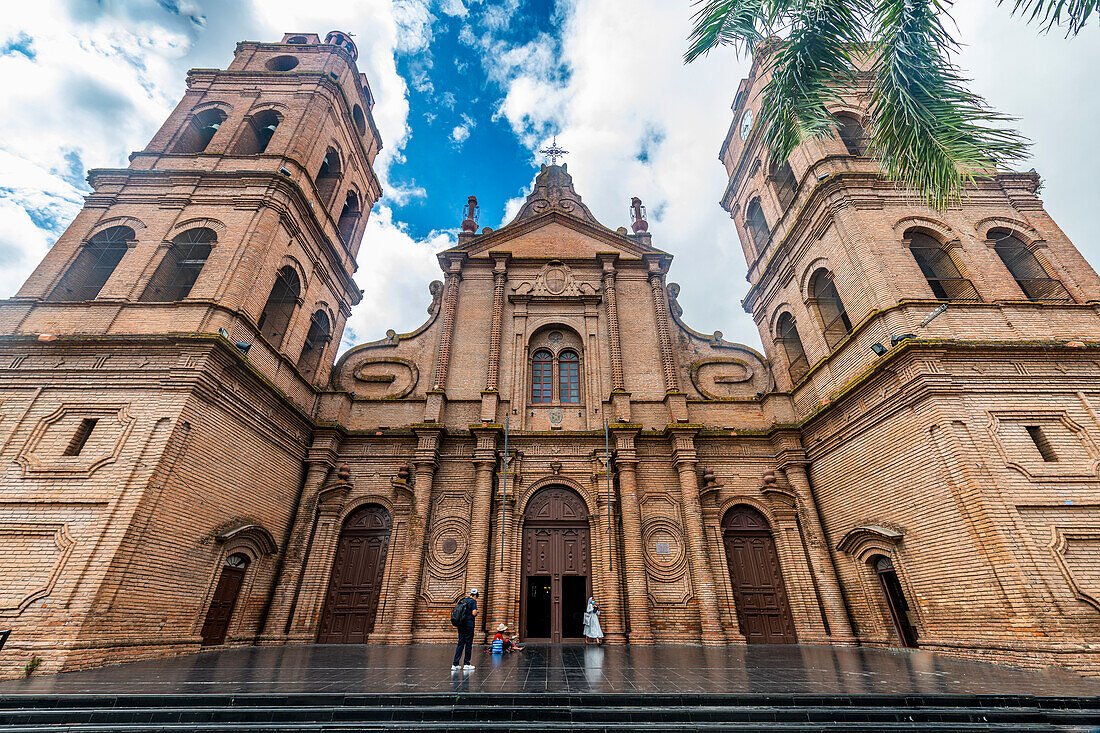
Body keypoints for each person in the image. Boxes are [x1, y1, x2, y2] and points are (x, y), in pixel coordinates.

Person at [451, 588, 478, 672]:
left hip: (461, 625)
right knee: (468, 644)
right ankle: (466, 663)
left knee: (460, 643)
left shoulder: (463, 601)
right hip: (469, 625)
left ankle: (455, 664)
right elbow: (474, 613)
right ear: (476, 595)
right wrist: (476, 612)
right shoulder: (473, 602)